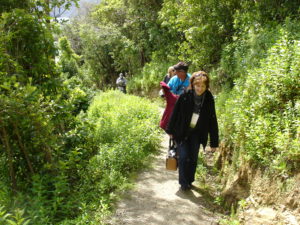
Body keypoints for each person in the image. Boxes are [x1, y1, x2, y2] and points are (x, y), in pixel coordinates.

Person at [166, 71, 219, 191]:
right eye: (197, 85)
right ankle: (184, 183)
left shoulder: (209, 99)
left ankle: (190, 179)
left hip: (197, 133)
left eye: (203, 86)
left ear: (207, 86)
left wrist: (214, 142)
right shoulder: (185, 95)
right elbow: (175, 112)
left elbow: (212, 120)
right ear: (193, 84)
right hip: (182, 131)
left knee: (193, 158)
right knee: (184, 156)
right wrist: (170, 129)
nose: (200, 88)